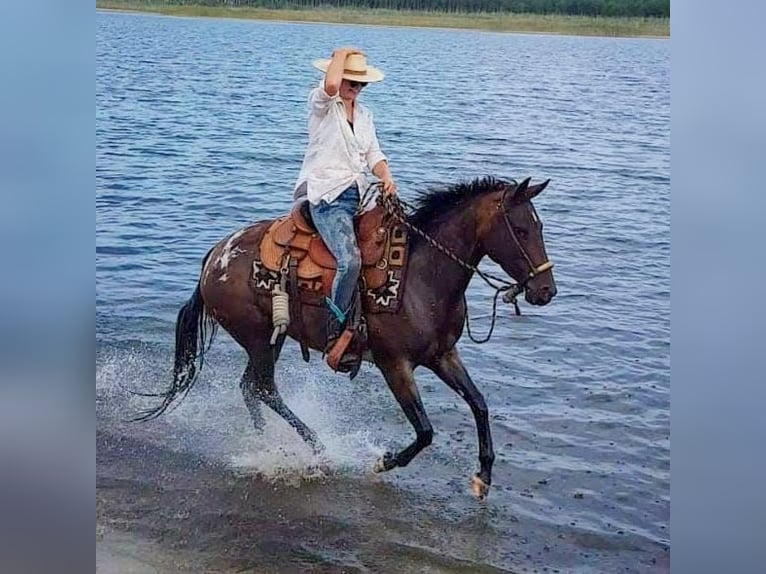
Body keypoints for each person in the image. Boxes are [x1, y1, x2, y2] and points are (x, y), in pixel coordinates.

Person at [293, 47, 397, 373]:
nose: (355, 88)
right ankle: (335, 329)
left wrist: (386, 176)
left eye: (360, 84)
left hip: (359, 195)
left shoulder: (365, 116)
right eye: (351, 81)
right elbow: (329, 87)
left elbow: (374, 154)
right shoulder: (322, 105)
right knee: (349, 259)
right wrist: (339, 55)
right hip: (326, 197)